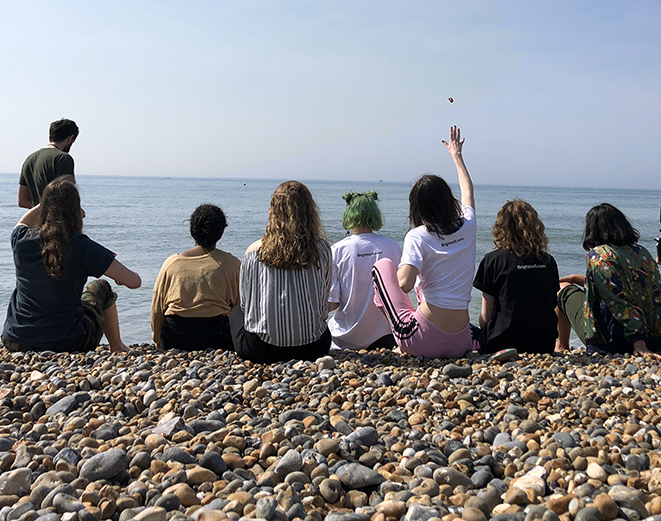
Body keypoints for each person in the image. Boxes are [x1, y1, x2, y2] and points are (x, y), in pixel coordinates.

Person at [2, 177, 141, 353]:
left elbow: (22, 223)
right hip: (67, 342)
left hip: (15, 340)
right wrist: (123, 278)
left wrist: (47, 201)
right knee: (101, 286)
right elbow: (134, 282)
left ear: (44, 208)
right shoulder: (82, 246)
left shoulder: (21, 240)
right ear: (75, 209)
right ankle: (117, 345)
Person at [371, 126, 476, 358]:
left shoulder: (418, 235)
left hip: (421, 341)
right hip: (461, 341)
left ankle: (398, 341)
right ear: (450, 201)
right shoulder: (468, 225)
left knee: (383, 266)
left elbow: (405, 284)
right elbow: (468, 190)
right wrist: (457, 156)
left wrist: (406, 267)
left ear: (417, 208)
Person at [229, 181, 332, 363]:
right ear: (310, 211)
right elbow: (324, 299)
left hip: (262, 349)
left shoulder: (254, 253)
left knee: (235, 312)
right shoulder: (322, 249)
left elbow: (246, 306)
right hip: (313, 347)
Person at [556, 203, 661, 358]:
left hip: (614, 340)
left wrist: (639, 343)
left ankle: (561, 347)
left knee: (562, 287)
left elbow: (618, 301)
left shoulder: (599, 256)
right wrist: (578, 279)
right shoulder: (641, 252)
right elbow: (647, 292)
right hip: (654, 337)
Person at [473, 199, 559, 354]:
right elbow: (550, 304)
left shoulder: (493, 260)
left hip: (503, 342)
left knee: (464, 327)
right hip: (544, 343)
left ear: (501, 227)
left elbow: (485, 317)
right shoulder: (548, 261)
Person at [151, 204, 240, 351]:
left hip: (175, 336)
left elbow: (157, 309)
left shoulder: (171, 263)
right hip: (216, 336)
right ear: (221, 232)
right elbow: (239, 307)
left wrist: (157, 340)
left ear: (192, 231)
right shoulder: (232, 264)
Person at [328, 191, 401, 350]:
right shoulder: (393, 246)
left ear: (349, 215)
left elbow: (332, 303)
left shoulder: (338, 250)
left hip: (344, 339)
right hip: (385, 338)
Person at [19, 119, 79, 208]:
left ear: (50, 138)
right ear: (71, 138)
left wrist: (42, 211)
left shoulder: (30, 159)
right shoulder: (63, 158)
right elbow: (67, 198)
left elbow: (23, 201)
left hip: (37, 220)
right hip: (58, 220)